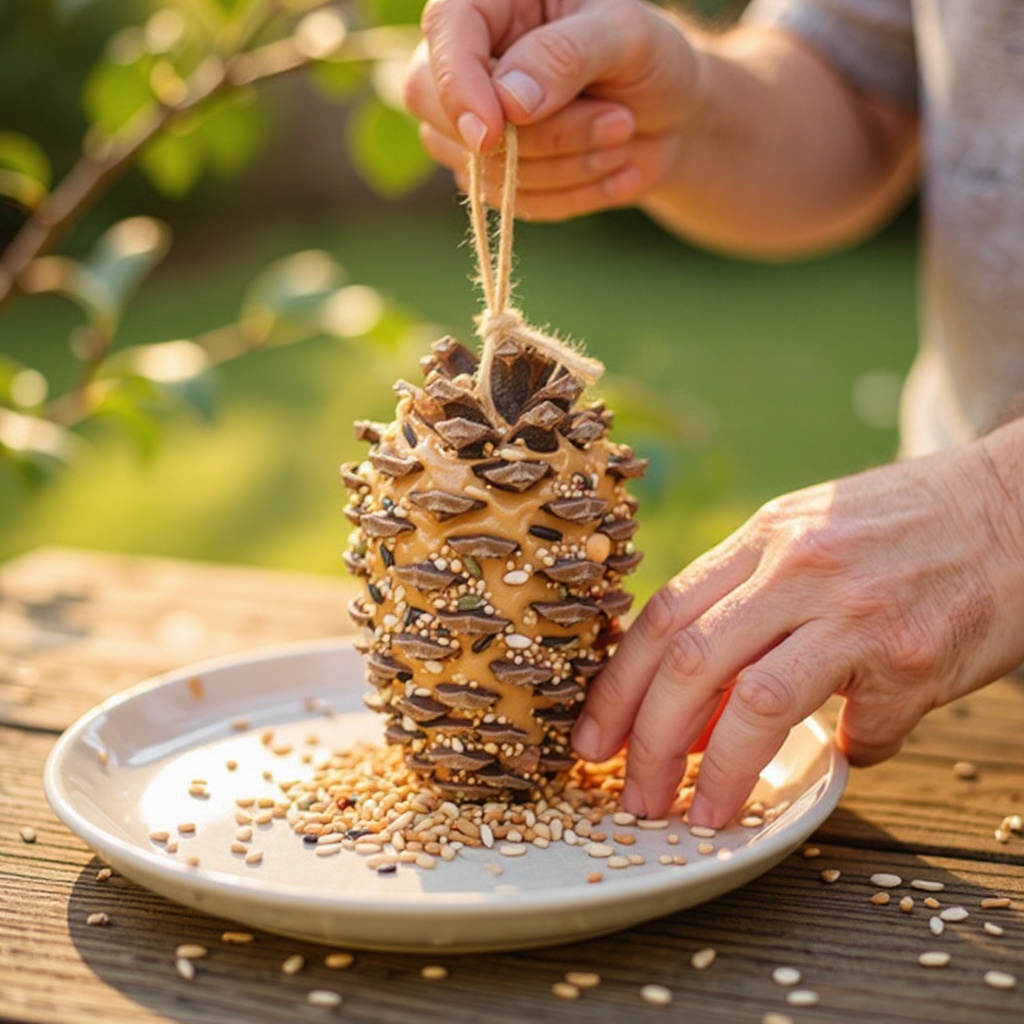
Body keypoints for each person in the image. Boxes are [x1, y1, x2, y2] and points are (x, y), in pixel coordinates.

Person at [403, 0, 1024, 827]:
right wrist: (682, 111)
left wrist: (1000, 512)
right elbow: (862, 79)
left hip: (962, 572)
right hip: (947, 658)